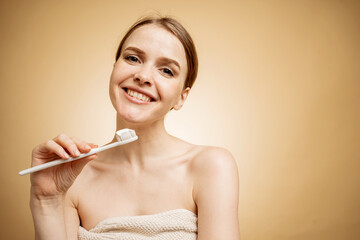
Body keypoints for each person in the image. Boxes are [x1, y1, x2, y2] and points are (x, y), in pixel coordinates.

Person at [30, 15, 240, 240]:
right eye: (132, 58)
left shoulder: (211, 166)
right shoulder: (72, 177)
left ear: (181, 97)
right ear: (114, 69)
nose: (143, 76)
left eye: (166, 70)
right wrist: (46, 202)